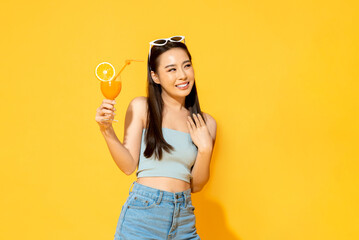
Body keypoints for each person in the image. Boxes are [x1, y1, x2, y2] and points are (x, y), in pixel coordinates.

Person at [95, 35, 217, 240]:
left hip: (184, 219)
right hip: (144, 215)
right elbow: (128, 166)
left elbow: (196, 185)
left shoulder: (206, 123)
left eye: (186, 66)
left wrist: (205, 149)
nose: (182, 75)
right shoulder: (142, 108)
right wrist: (106, 129)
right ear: (155, 76)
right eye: (171, 69)